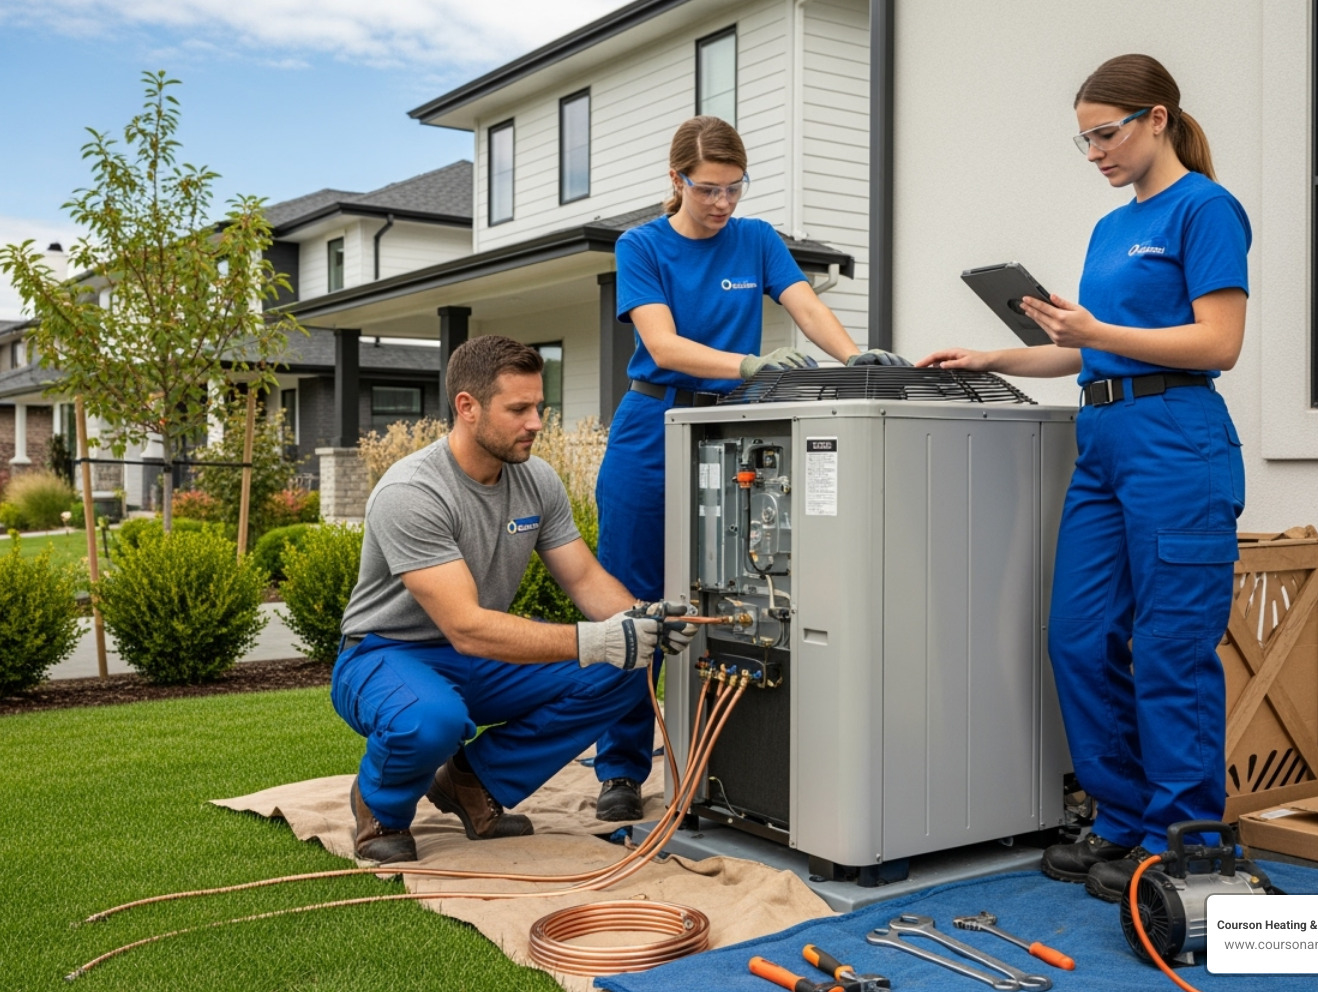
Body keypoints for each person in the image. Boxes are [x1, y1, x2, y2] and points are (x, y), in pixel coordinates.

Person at [919, 54, 1250, 902]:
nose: (1095, 152)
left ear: (1157, 119)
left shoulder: (1205, 209)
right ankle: (1123, 815)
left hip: (1175, 440)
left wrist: (1095, 330)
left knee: (1171, 648)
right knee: (1077, 635)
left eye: (1105, 134)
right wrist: (994, 355)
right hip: (1101, 439)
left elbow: (1218, 343)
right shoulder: (1111, 227)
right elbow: (1087, 349)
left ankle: (1186, 838)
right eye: (1085, 140)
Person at [590, 115, 908, 823]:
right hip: (653, 428)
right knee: (634, 604)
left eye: (734, 188)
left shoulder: (757, 239)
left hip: (733, 434)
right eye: (708, 189)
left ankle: (725, 763)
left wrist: (852, 356)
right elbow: (663, 346)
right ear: (676, 180)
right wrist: (748, 365)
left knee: (735, 590)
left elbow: (805, 307)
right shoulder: (641, 245)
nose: (723, 202)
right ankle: (620, 768)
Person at [333, 334, 691, 864]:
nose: (536, 422)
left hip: (477, 655)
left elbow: (585, 580)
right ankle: (381, 808)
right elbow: (465, 627)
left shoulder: (536, 479)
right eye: (519, 409)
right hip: (386, 653)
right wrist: (597, 639)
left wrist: (643, 622)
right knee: (433, 721)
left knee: (626, 670)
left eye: (539, 407)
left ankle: (472, 782)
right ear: (467, 407)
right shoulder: (412, 491)